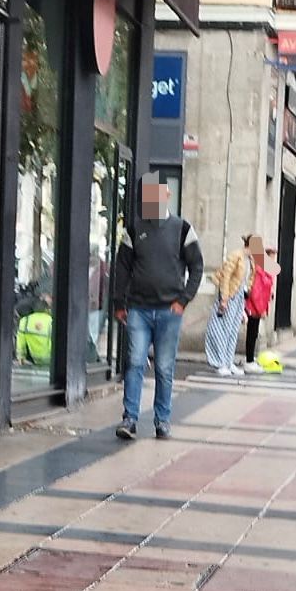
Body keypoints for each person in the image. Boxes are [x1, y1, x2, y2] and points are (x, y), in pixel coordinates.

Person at [113, 172, 204, 440]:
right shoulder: (133, 230)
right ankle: (129, 419)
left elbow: (197, 267)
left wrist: (183, 300)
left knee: (164, 367)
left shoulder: (183, 229)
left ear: (166, 195)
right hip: (138, 310)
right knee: (135, 363)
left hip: (169, 311)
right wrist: (120, 303)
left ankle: (162, 420)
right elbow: (122, 268)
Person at [205, 235, 253, 376]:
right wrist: (224, 299)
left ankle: (228, 361)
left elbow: (247, 282)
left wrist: (243, 305)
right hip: (230, 294)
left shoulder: (250, 261)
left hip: (238, 297)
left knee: (232, 331)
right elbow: (225, 277)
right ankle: (219, 362)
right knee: (221, 330)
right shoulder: (236, 256)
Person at [243, 237, 279, 373]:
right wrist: (261, 309)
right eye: (272, 257)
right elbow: (257, 292)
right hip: (254, 307)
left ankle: (251, 359)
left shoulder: (266, 271)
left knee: (253, 333)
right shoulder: (260, 270)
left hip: (258, 307)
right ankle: (249, 360)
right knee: (251, 333)